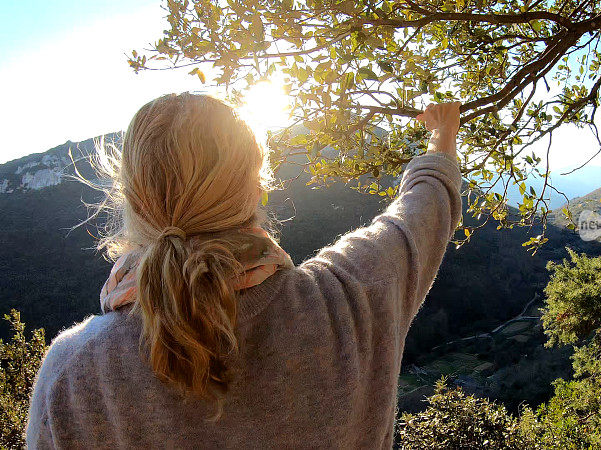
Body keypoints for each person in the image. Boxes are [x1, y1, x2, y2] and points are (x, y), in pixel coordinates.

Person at [25, 92, 463, 449]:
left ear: (132, 202)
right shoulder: (347, 300)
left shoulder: (72, 376)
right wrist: (443, 137)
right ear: (257, 189)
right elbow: (419, 213)